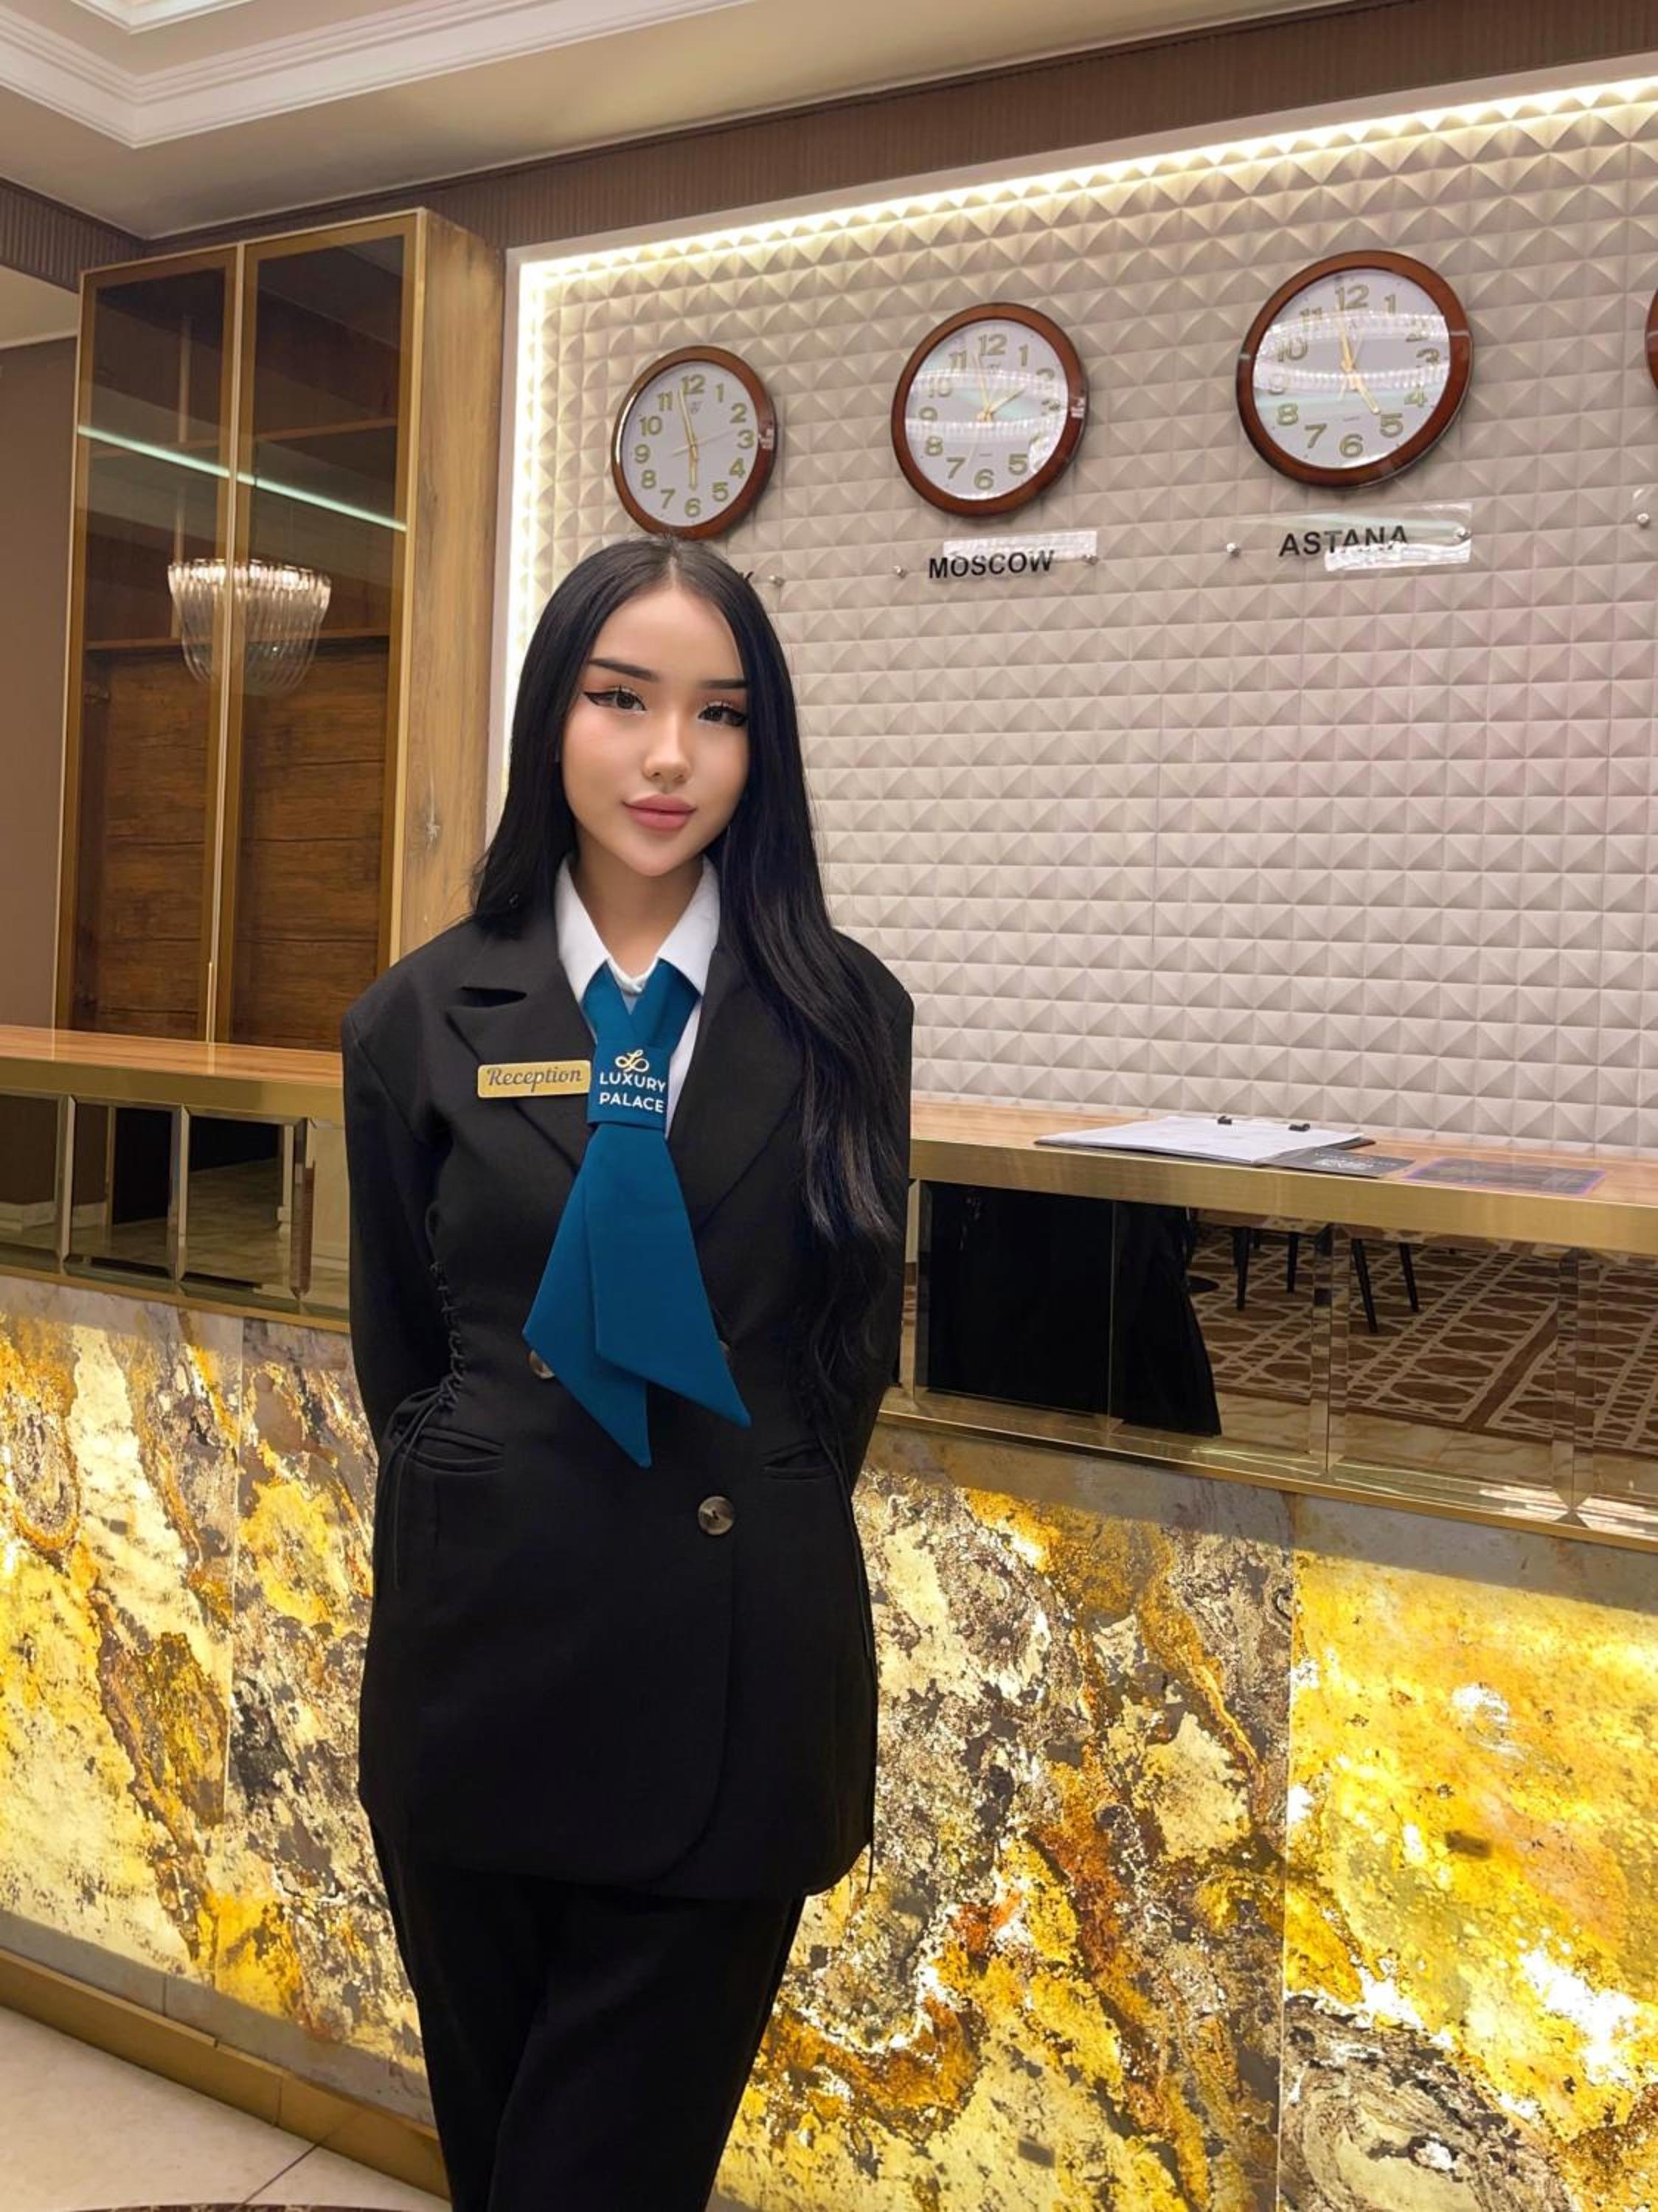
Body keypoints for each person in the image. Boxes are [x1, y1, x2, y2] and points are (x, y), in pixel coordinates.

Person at [339, 533, 914, 2211]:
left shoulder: (844, 1015)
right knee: (500, 2152)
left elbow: (844, 1357)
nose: (670, 757)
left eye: (719, 714)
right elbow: (406, 1357)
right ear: (552, 719)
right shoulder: (417, 1018)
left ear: (762, 747)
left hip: (734, 1672)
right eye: (621, 699)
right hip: (479, 1668)